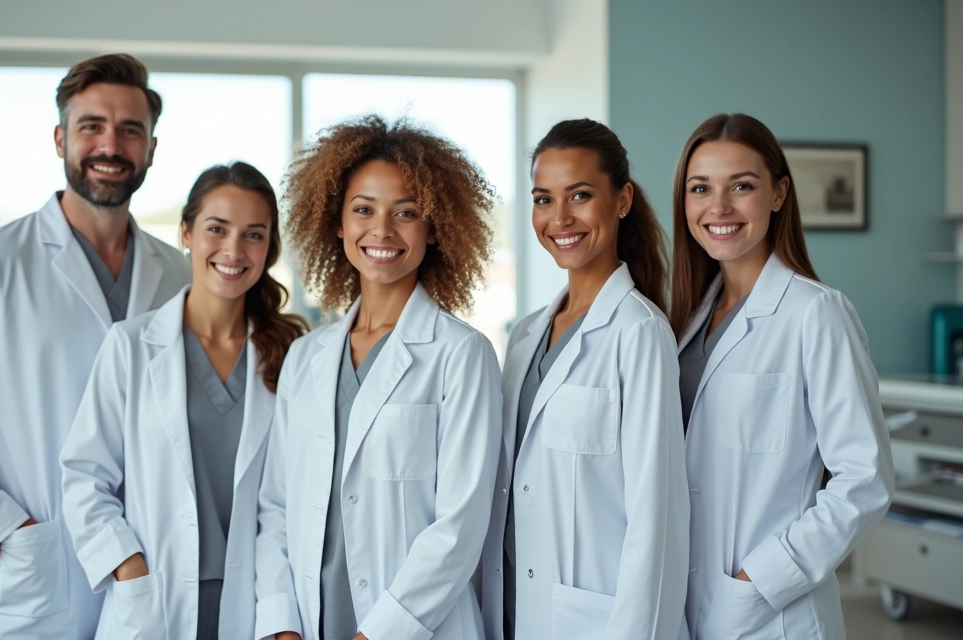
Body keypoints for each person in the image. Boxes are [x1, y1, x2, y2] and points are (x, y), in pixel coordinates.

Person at [0, 54, 191, 638]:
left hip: (151, 563)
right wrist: (4, 527)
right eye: (91, 127)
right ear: (60, 139)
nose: (112, 144)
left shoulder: (178, 273)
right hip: (42, 562)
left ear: (152, 148)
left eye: (131, 129)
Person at [254, 115, 503, 640]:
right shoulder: (306, 357)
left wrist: (378, 634)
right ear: (338, 223)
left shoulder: (462, 354)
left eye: (406, 213)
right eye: (363, 209)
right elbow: (277, 505)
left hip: (412, 628)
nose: (382, 230)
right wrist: (281, 625)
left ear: (434, 228)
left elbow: (460, 525)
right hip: (307, 623)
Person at [61, 162, 308, 639]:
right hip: (156, 595)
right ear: (187, 233)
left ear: (269, 249)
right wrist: (128, 566)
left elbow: (286, 503)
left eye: (253, 235)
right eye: (217, 229)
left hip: (256, 599)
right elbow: (83, 475)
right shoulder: (130, 346)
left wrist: (281, 616)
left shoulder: (292, 355)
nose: (233, 250)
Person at [671, 113, 893, 640]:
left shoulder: (816, 313)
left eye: (741, 186)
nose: (718, 208)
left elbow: (865, 479)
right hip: (685, 598)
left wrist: (761, 579)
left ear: (778, 194)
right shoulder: (686, 321)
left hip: (772, 610)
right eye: (701, 188)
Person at [480, 119, 690, 640]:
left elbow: (656, 518)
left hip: (593, 621)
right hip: (508, 607)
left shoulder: (639, 332)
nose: (559, 218)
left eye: (579, 195)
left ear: (622, 200)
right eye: (542, 199)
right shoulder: (527, 334)